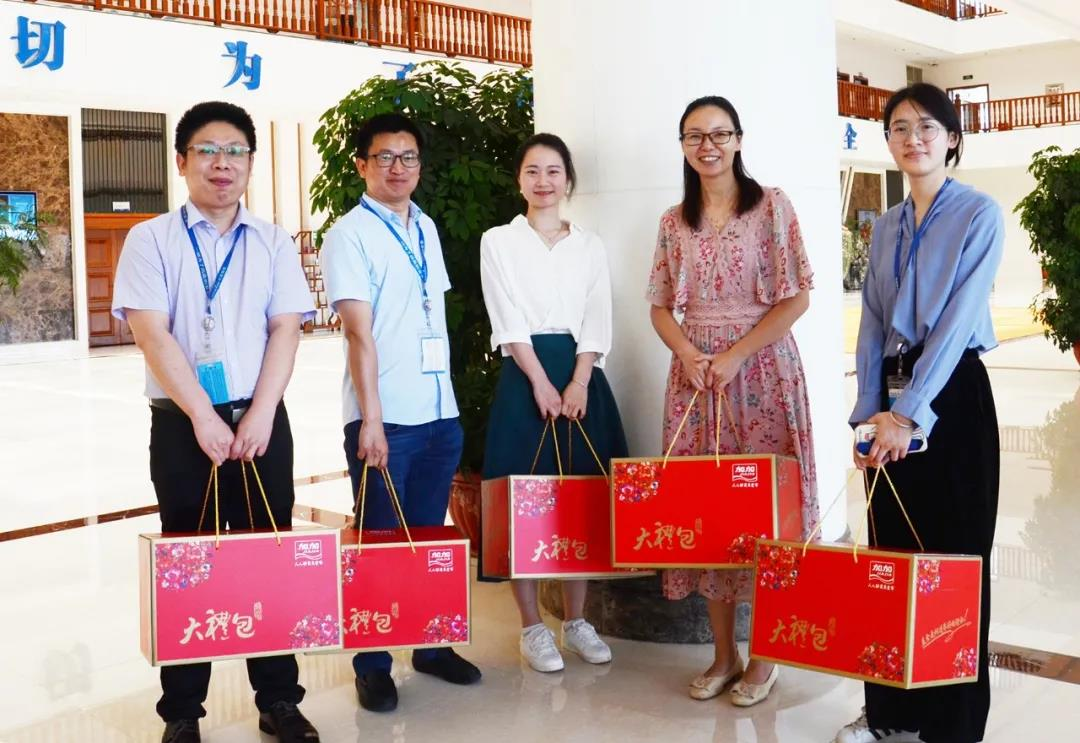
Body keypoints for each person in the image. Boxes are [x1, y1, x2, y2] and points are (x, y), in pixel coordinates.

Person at [111, 101, 319, 743]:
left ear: (250, 164)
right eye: (207, 150)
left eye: (234, 151)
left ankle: (279, 700)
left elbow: (287, 328)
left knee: (267, 554)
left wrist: (261, 412)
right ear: (182, 161)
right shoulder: (150, 239)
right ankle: (182, 713)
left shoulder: (273, 241)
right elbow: (151, 332)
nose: (221, 163)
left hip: (261, 421)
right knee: (188, 559)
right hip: (182, 425)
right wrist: (202, 416)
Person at [839, 82, 1003, 743]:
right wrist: (870, 411)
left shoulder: (980, 214)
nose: (914, 138)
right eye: (900, 128)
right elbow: (873, 323)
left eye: (928, 126)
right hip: (890, 402)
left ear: (953, 138)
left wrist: (910, 414)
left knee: (954, 563)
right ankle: (888, 714)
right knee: (892, 560)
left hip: (952, 398)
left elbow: (959, 322)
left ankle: (952, 725)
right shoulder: (885, 226)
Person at [646, 95, 818, 707]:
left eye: (719, 134)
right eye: (695, 136)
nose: (708, 145)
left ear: (739, 140)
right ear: (683, 146)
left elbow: (797, 297)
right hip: (697, 380)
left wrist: (739, 352)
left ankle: (765, 657)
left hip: (764, 369)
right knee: (709, 514)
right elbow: (659, 306)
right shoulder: (674, 221)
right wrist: (690, 354)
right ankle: (725, 655)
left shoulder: (772, 205)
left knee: (767, 515)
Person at [320, 112, 482, 714]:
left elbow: (428, 313)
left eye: (408, 156)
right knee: (381, 545)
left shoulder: (426, 227)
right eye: (384, 156)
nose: (397, 167)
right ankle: (372, 664)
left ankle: (431, 646)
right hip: (385, 419)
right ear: (361, 165)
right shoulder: (348, 235)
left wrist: (449, 407)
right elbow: (358, 333)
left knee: (426, 537)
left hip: (438, 411)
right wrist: (371, 420)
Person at [478, 133, 629, 672]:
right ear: (519, 179)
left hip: (580, 375)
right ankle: (531, 627)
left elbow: (597, 315)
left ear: (568, 180)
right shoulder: (498, 241)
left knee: (579, 496)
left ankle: (577, 622)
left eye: (553, 171)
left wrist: (580, 381)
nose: (543, 181)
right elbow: (506, 317)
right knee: (524, 498)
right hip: (525, 375)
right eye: (532, 171)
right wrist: (541, 383)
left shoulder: (589, 245)